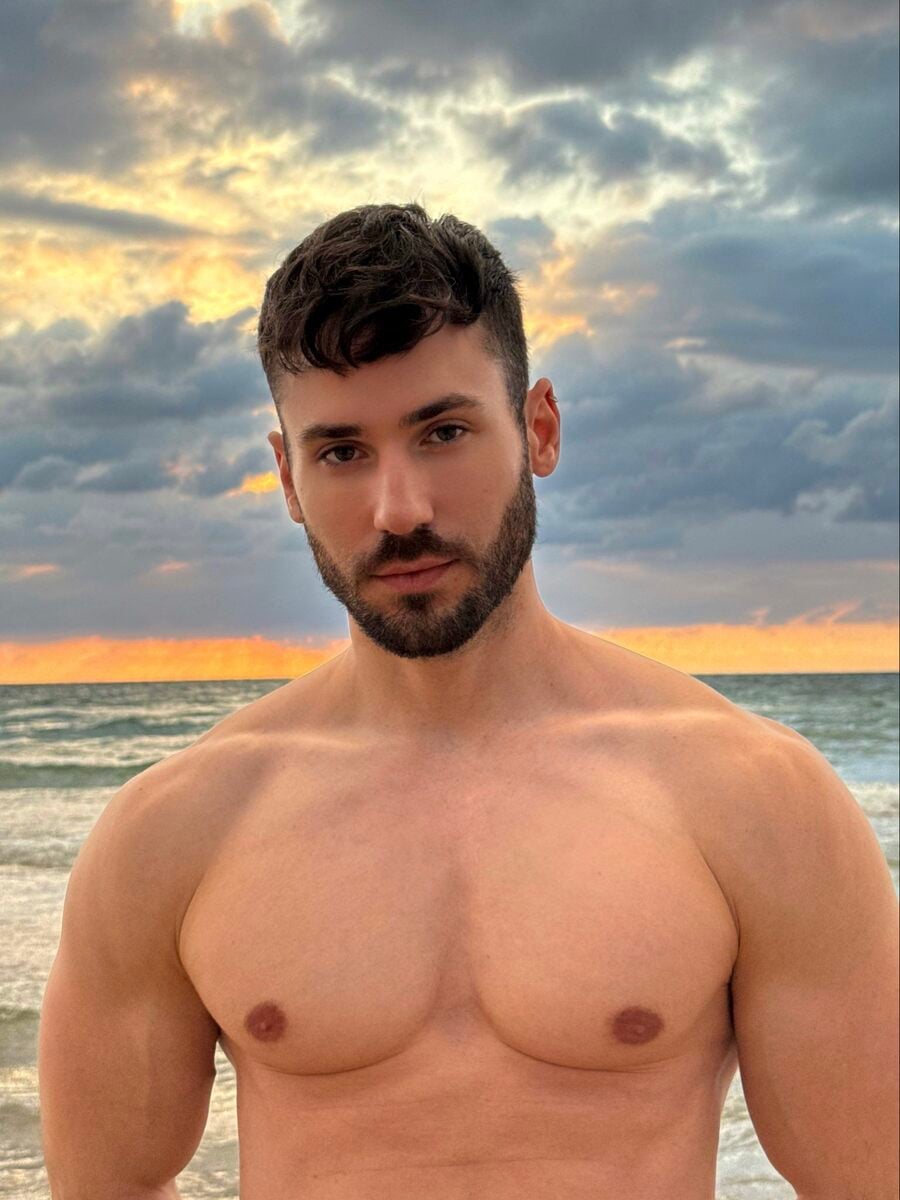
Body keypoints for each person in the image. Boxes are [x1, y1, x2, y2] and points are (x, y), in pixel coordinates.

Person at [38, 203, 898, 1200]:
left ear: (539, 429)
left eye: (443, 432)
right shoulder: (175, 831)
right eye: (341, 452)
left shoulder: (753, 799)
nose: (400, 508)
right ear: (286, 477)